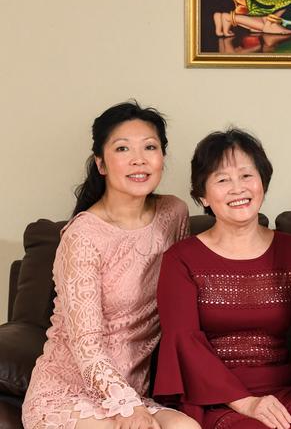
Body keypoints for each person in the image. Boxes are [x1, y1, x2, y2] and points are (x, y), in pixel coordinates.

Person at [21, 103, 198, 429]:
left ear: (162, 157)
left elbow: (182, 298)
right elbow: (86, 344)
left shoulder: (174, 213)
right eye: (122, 148)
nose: (139, 159)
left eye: (150, 147)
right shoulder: (83, 235)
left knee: (186, 427)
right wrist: (127, 407)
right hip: (67, 393)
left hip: (133, 390)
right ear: (101, 164)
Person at [154, 129, 291, 429]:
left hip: (284, 392)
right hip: (215, 397)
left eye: (246, 176)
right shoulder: (181, 259)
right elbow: (184, 343)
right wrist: (248, 403)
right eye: (222, 179)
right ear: (202, 195)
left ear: (262, 182)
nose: (237, 188)